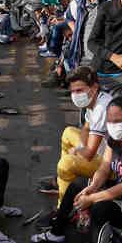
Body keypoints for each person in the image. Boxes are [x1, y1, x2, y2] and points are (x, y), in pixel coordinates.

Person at [31, 96, 122, 243]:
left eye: (117, 121)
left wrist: (92, 198)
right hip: (116, 192)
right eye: (109, 121)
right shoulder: (115, 138)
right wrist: (90, 188)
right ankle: (57, 230)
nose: (111, 125)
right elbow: (105, 167)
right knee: (78, 184)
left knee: (101, 209)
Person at [38, 66, 113, 204]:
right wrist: (81, 147)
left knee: (66, 163)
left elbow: (90, 154)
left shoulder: (102, 108)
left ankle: (63, 207)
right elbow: (85, 129)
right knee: (68, 133)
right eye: (73, 91)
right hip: (97, 150)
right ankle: (64, 183)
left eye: (79, 90)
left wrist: (78, 150)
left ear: (94, 87)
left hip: (108, 165)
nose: (75, 95)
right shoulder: (95, 100)